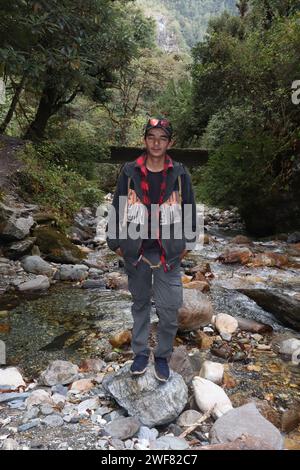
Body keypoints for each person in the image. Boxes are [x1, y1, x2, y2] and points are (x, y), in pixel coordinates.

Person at [106, 117, 198, 382]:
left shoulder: (180, 174)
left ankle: (161, 357)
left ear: (170, 142)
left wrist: (187, 245)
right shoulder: (130, 171)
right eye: (151, 137)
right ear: (145, 140)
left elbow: (190, 208)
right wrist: (116, 244)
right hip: (136, 250)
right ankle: (140, 353)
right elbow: (117, 206)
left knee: (170, 309)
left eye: (162, 138)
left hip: (168, 251)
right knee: (140, 305)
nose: (156, 143)